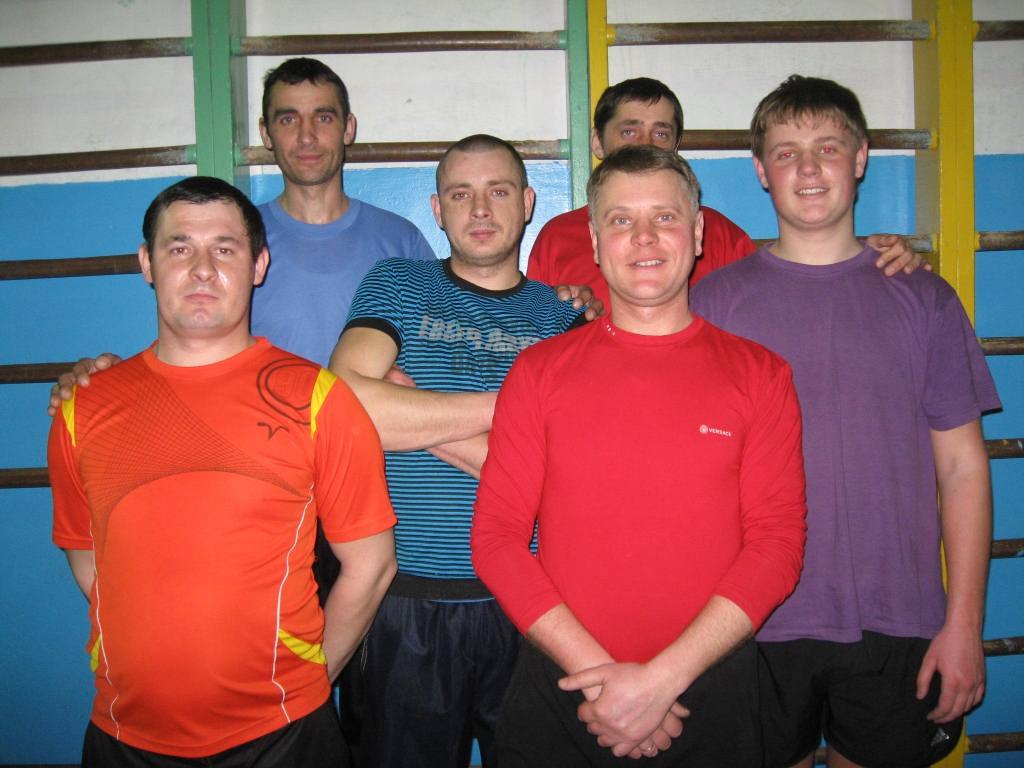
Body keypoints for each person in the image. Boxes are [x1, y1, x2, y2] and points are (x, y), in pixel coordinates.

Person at [690, 75, 999, 768]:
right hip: (750, 619)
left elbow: (962, 468)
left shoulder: (924, 297)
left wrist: (964, 625)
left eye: (827, 148)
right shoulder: (713, 306)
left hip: (897, 615)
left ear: (860, 158)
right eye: (787, 152)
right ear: (760, 170)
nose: (808, 168)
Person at [471, 145, 808, 766]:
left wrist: (661, 682)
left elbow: (777, 545)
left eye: (665, 217)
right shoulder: (538, 372)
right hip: (564, 687)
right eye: (621, 219)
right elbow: (496, 538)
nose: (644, 237)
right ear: (596, 242)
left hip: (710, 688)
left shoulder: (761, 375)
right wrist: (604, 682)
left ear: (698, 233)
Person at [47, 177, 397, 766]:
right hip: (123, 732)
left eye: (225, 248)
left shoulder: (318, 398)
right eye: (180, 247)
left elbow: (372, 564)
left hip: (284, 736)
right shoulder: (83, 406)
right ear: (147, 263)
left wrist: (307, 686)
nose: (203, 269)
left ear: (259, 264)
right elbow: (87, 557)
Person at [328, 134, 588, 768]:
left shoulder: (563, 318)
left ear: (528, 203)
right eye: (460, 194)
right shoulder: (397, 284)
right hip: (403, 602)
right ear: (437, 209)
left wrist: (411, 410)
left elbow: (561, 477)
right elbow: (343, 404)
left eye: (498, 191)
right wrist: (515, 407)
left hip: (530, 604)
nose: (480, 209)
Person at [526, 76, 922, 310]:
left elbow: (786, 292)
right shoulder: (557, 237)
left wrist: (866, 259)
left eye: (661, 133)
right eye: (629, 131)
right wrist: (568, 317)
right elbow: (532, 332)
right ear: (597, 141)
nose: (646, 143)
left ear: (676, 145)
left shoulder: (720, 234)